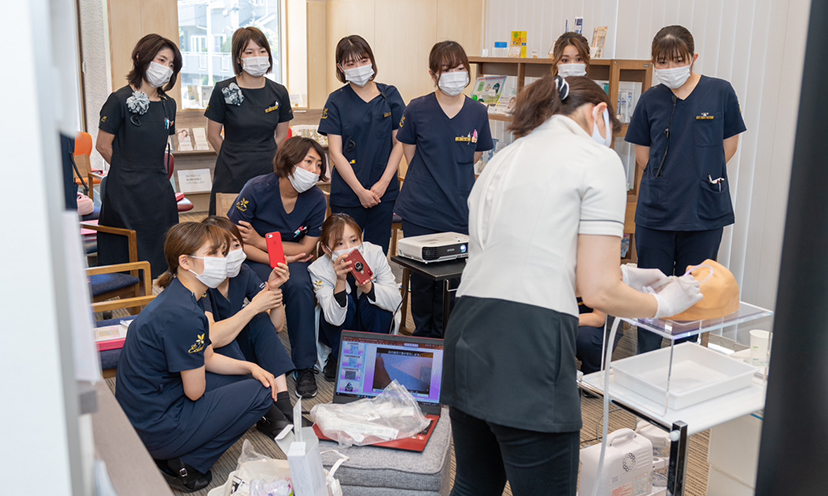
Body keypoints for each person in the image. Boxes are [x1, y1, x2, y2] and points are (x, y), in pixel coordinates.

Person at [441, 75, 703, 496]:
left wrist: (629, 276)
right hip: (527, 344)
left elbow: (530, 254)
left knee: (474, 485)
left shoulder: (504, 158)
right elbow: (599, 293)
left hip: (468, 332)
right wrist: (663, 304)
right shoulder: (595, 161)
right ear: (601, 113)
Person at [116, 223, 283, 493]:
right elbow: (195, 391)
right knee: (260, 394)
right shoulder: (185, 314)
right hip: (155, 426)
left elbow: (206, 356)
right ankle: (186, 464)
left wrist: (250, 367)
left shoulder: (180, 298)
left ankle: (180, 452)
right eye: (215, 254)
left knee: (246, 379)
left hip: (143, 412)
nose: (224, 261)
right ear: (185, 262)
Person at [625, 25, 747, 353]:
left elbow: (729, 145)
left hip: (704, 212)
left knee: (694, 296)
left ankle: (684, 365)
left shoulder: (719, 92)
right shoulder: (650, 100)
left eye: (677, 60)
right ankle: (647, 364)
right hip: (657, 213)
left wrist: (700, 175)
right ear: (653, 63)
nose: (669, 69)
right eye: (661, 62)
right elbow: (643, 157)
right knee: (654, 296)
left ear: (693, 58)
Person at [394, 41, 493, 338]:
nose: (455, 75)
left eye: (461, 68)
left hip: (460, 210)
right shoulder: (417, 109)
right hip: (421, 210)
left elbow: (476, 154)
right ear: (433, 73)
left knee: (453, 281)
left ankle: (448, 341)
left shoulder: (477, 112)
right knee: (424, 283)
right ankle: (425, 340)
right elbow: (409, 153)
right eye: (447, 69)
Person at [228, 137, 328, 398]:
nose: (314, 170)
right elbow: (235, 242)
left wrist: (262, 241)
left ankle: (304, 366)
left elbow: (307, 247)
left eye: (319, 165)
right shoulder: (257, 189)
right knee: (263, 288)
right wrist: (273, 256)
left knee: (299, 286)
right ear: (288, 160)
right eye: (308, 161)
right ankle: (255, 359)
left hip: (289, 260)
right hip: (250, 259)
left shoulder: (317, 199)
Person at [199, 216, 298, 434]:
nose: (234, 253)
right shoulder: (202, 283)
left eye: (236, 245)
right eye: (224, 249)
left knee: (260, 319)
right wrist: (253, 307)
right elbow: (212, 338)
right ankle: (266, 411)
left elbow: (276, 325)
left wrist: (273, 290)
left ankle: (283, 404)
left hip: (243, 351)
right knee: (238, 325)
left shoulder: (243, 273)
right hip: (213, 359)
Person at [96, 34, 182, 278]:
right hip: (124, 188)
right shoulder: (118, 100)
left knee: (161, 247)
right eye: (161, 60)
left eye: (171, 64)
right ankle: (129, 300)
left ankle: (158, 297)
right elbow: (102, 146)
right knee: (127, 251)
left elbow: (161, 143)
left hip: (157, 186)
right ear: (140, 57)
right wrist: (128, 169)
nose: (166, 68)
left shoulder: (169, 104)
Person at [318, 35, 406, 254]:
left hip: (383, 191)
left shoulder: (390, 95)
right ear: (341, 67)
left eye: (363, 60)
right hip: (349, 192)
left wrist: (383, 184)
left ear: (372, 61)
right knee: (345, 254)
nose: (358, 67)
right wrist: (360, 191)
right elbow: (336, 153)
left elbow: (400, 143)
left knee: (377, 253)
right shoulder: (336, 100)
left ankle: (372, 290)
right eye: (350, 63)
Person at [205, 27, 293, 215]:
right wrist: (232, 156)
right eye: (249, 52)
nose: (257, 56)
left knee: (265, 221)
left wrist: (265, 155)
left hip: (267, 168)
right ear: (239, 58)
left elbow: (282, 135)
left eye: (262, 51)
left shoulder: (279, 92)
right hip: (231, 171)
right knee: (226, 226)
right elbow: (212, 135)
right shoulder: (223, 89)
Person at [309, 214, 401, 381]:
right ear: (325, 248)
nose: (349, 248)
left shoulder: (374, 253)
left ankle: (375, 356)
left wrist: (369, 288)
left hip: (370, 320)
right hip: (340, 325)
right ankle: (339, 357)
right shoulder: (318, 269)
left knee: (376, 302)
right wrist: (340, 281)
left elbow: (395, 301)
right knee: (345, 301)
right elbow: (333, 318)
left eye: (354, 241)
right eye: (339, 244)